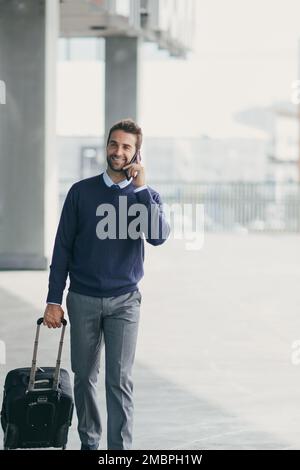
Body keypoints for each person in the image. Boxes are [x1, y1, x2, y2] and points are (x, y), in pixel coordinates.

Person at [43, 119, 170, 450]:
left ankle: (120, 452)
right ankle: (90, 443)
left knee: (120, 381)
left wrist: (141, 188)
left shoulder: (146, 196)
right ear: (107, 146)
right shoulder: (81, 192)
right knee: (84, 378)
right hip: (83, 298)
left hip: (125, 302)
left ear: (137, 152)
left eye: (127, 146)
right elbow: (62, 248)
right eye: (114, 144)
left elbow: (158, 236)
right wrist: (53, 299)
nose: (118, 151)